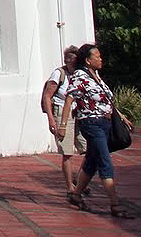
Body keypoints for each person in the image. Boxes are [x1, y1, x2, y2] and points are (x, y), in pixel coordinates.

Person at [58, 43, 137, 219]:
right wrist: (63, 125)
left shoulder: (97, 76)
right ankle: (115, 204)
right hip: (91, 124)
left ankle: (76, 195)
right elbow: (69, 101)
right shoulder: (79, 76)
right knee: (104, 161)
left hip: (105, 123)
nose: (101, 59)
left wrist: (122, 117)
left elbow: (106, 101)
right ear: (87, 60)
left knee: (92, 161)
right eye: (97, 57)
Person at [40, 44, 81, 191]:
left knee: (89, 148)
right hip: (62, 111)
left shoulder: (80, 74)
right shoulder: (59, 74)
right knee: (67, 151)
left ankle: (80, 179)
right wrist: (51, 119)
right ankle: (70, 186)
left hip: (78, 112)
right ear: (68, 60)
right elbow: (47, 95)